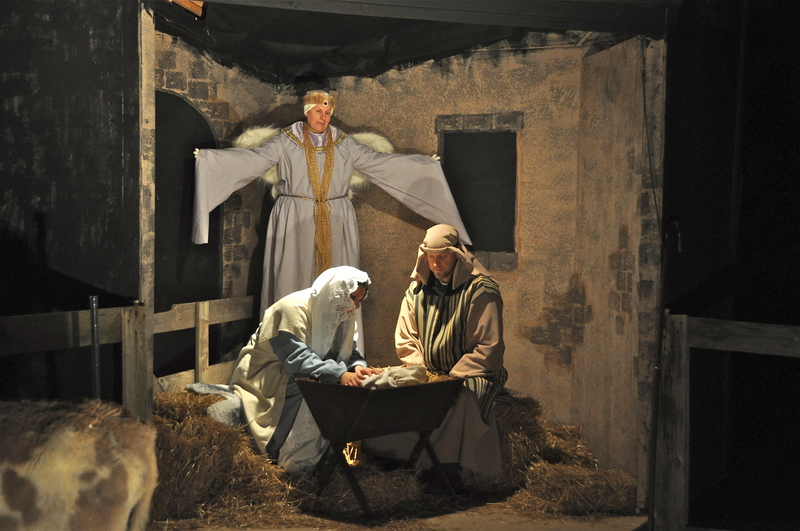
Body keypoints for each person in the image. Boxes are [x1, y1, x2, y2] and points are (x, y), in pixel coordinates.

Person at [192, 90, 471, 319]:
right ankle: (290, 352)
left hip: (337, 218)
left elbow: (381, 163)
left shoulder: (344, 144)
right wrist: (209, 161)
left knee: (340, 285)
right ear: (307, 112)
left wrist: (424, 167)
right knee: (292, 280)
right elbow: (251, 160)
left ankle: (338, 355)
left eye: (327, 112)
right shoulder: (285, 141)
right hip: (294, 217)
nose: (323, 117)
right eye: (318, 111)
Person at [363, 224, 507, 483]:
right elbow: (406, 339)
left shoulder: (481, 292)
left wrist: (452, 378)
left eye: (443, 256)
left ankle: (450, 469)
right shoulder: (417, 291)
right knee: (388, 388)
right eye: (431, 256)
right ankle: (393, 459)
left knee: (463, 399)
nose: (436, 262)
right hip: (427, 372)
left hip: (468, 373)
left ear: (457, 255)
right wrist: (421, 371)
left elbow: (488, 347)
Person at [229, 265, 382, 475]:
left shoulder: (344, 313)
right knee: (308, 387)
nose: (355, 307)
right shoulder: (290, 309)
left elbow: (349, 351)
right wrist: (339, 374)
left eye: (359, 300)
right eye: (352, 298)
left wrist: (358, 368)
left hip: (315, 370)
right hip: (270, 375)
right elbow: (297, 358)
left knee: (330, 388)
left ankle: (317, 461)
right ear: (337, 292)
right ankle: (279, 456)